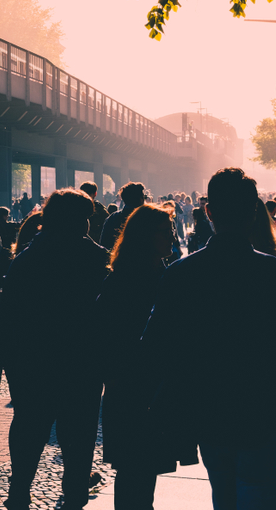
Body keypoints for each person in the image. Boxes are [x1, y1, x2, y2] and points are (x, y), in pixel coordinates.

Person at [142, 168, 276, 510]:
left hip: (209, 410)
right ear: (253, 212)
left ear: (209, 212)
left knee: (224, 494)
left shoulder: (181, 274)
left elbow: (155, 349)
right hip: (262, 406)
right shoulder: (275, 272)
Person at [0, 188, 109, 509]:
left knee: (28, 428)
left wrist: (12, 364)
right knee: (78, 434)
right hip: (81, 364)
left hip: (32, 364)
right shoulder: (96, 259)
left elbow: (10, 317)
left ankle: (18, 489)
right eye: (86, 218)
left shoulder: (27, 259)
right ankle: (74, 492)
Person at [97, 204, 179, 510]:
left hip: (133, 386)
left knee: (137, 472)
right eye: (166, 231)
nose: (172, 236)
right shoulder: (144, 278)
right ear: (147, 237)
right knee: (138, 472)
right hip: (138, 387)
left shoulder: (132, 275)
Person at [100, 182, 146, 251]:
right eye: (143, 197)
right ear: (140, 199)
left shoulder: (112, 218)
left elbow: (104, 244)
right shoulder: (147, 219)